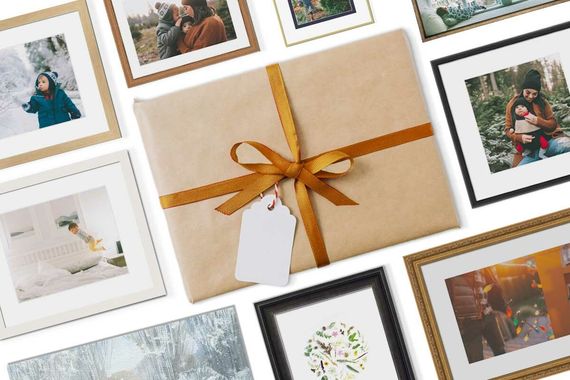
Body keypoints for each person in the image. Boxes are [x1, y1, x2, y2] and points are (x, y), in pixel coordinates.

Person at [504, 69, 570, 167]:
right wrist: (519, 137)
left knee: (566, 146)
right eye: (528, 92)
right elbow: (507, 129)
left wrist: (538, 121)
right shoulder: (512, 104)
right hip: (528, 151)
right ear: (523, 89)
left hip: (548, 143)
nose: (530, 96)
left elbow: (553, 124)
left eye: (534, 94)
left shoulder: (542, 102)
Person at [446, 268, 507, 363]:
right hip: (467, 322)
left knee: (501, 351)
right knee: (475, 361)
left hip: (488, 315)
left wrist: (525, 268)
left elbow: (502, 268)